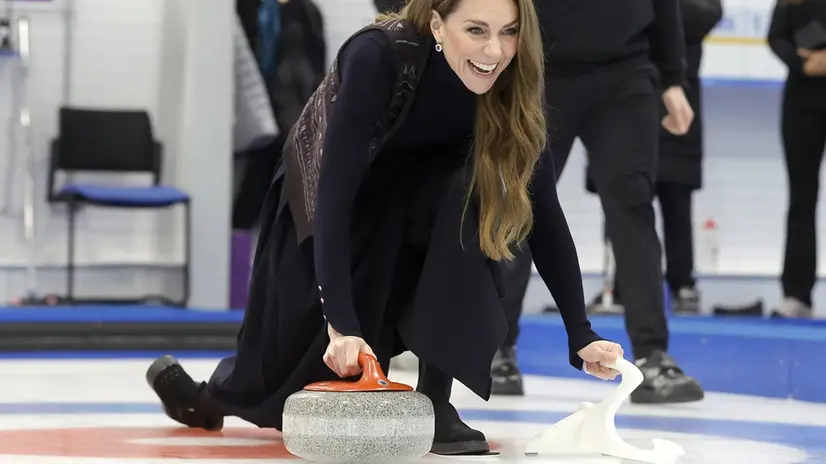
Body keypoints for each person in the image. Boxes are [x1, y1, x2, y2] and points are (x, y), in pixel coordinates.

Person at [144, 0, 624, 456]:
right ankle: (208, 401)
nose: (494, 51)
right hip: (330, 197)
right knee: (286, 370)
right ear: (438, 25)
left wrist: (578, 331)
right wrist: (342, 325)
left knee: (466, 198)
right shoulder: (379, 55)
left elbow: (543, 207)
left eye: (509, 32)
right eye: (475, 30)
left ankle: (435, 400)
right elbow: (333, 193)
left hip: (427, 205)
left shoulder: (513, 76)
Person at [491, 0, 706, 405]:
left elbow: (665, 5)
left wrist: (673, 79)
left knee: (633, 208)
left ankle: (652, 355)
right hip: (541, 70)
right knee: (519, 204)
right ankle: (497, 349)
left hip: (626, 71)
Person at [581, 0, 724, 315]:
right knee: (622, 196)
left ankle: (682, 285)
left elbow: (707, 14)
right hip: (621, 99)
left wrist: (648, 14)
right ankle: (615, 286)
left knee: (677, 202)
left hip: (676, 98)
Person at [768, 0, 826, 319]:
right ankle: (796, 292)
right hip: (802, 103)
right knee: (802, 199)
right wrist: (802, 64)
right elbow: (776, 36)